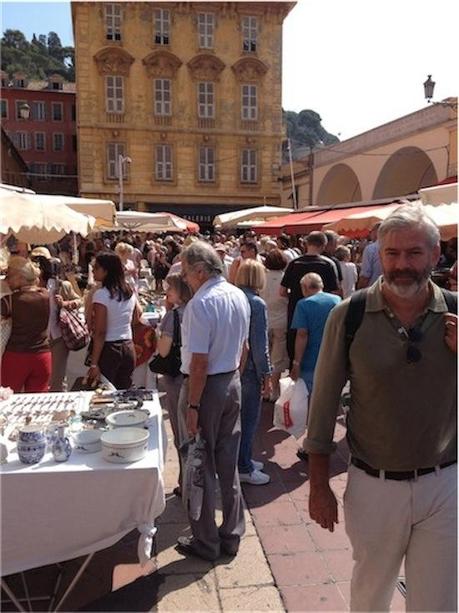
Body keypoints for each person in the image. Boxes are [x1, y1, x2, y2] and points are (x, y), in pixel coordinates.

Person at [303, 203, 457, 612]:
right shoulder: (348, 315)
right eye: (392, 254)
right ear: (378, 253)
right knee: (370, 596)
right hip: (374, 485)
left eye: (414, 253)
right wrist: (319, 486)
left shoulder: (457, 313)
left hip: (445, 483)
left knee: (440, 601)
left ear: (435, 254)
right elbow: (322, 405)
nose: (402, 264)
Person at [176, 241, 250, 561]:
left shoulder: (200, 304)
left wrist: (193, 406)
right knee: (226, 463)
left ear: (201, 271)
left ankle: (206, 541)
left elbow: (199, 363)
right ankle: (231, 534)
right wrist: (232, 378)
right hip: (231, 381)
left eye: (186, 273)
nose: (185, 279)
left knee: (199, 464)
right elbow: (243, 348)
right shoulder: (238, 295)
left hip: (207, 386)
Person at [235, 260, 272, 485]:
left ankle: (243, 458)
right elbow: (260, 344)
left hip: (232, 366)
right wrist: (266, 375)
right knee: (248, 419)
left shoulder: (234, 297)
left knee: (238, 420)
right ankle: (244, 466)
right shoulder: (257, 304)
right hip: (249, 369)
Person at [156, 273, 192, 497]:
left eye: (170, 289)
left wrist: (157, 335)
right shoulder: (200, 309)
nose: (167, 292)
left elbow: (163, 350)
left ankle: (185, 480)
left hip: (177, 378)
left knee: (182, 433)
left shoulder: (173, 316)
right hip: (200, 377)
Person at [280, 231, 339, 362]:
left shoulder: (294, 264)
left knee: (296, 355)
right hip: (323, 317)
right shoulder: (328, 264)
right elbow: (336, 292)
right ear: (324, 245)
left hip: (296, 314)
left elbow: (282, 291)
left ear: (306, 244)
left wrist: (295, 296)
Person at [86, 252, 140, 389]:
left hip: (109, 349)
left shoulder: (102, 295)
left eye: (96, 267)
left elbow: (100, 332)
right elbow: (137, 317)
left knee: (103, 395)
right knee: (124, 392)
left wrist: (94, 363)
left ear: (106, 271)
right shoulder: (128, 291)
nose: (93, 270)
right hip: (128, 346)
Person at [1, 256, 51, 392]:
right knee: (37, 404)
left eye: (8, 276)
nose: (6, 280)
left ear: (19, 277)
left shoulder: (9, 301)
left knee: (6, 401)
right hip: (43, 356)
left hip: (16, 356)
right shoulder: (46, 295)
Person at [34, 255, 83, 392]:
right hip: (38, 340)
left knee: (58, 378)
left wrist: (65, 303)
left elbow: (79, 301)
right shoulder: (31, 288)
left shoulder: (63, 285)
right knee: (40, 378)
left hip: (58, 337)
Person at [290, 272, 341, 393]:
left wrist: (296, 362)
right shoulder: (336, 300)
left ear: (305, 288)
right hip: (333, 357)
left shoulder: (303, 304)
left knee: (310, 399)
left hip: (311, 360)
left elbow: (302, 334)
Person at [260, 248, 289, 401]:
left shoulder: (262, 278)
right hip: (281, 321)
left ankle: (266, 389)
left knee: (265, 356)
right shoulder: (285, 278)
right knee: (277, 358)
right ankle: (274, 390)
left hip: (265, 320)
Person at [357, 221, 382, 288]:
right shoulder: (393, 246)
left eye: (371, 231)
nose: (370, 234)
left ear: (376, 232)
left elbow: (365, 275)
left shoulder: (370, 249)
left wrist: (359, 292)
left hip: (373, 290)